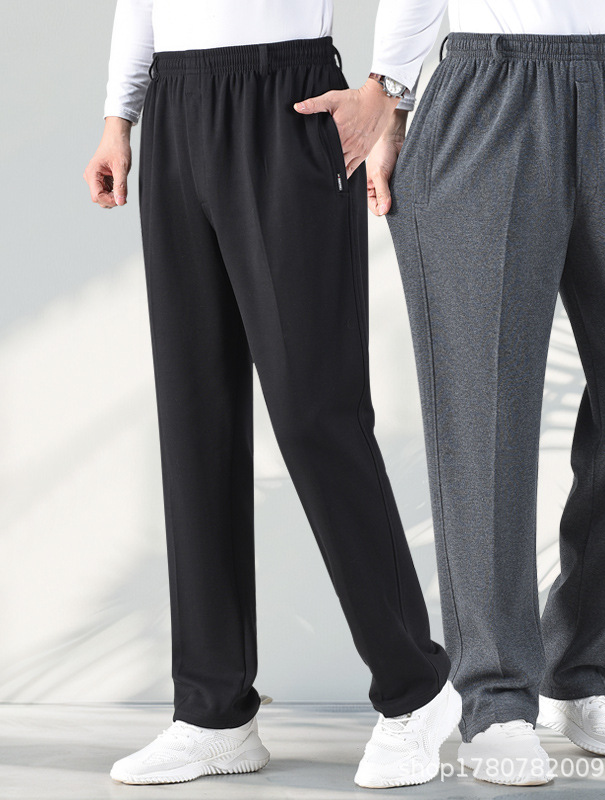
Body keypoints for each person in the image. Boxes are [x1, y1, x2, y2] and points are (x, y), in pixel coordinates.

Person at [295, 0, 605, 787]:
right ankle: (494, 703)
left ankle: (576, 672)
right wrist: (389, 100)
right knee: (483, 411)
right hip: (486, 92)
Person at [83, 0, 462, 789]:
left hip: (286, 98)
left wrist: (386, 86)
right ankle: (213, 714)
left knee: (316, 412)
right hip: (175, 105)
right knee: (196, 416)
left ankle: (416, 691)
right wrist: (120, 116)